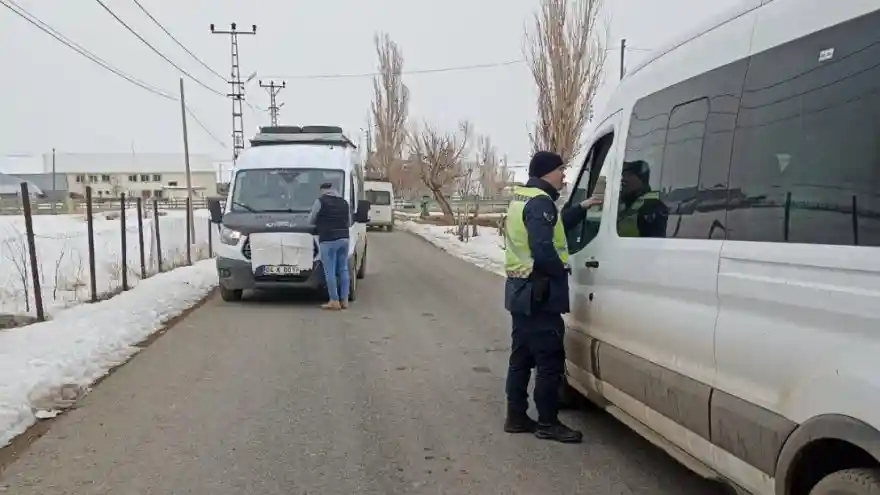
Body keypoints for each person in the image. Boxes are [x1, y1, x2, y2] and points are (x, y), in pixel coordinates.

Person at [503, 151, 601, 443]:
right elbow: (544, 248)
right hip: (540, 293)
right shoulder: (541, 202)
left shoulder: (523, 197)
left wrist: (582, 207)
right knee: (549, 361)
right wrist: (562, 270)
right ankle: (547, 422)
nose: (564, 175)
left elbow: (552, 225)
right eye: (560, 170)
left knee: (521, 358)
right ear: (548, 172)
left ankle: (516, 417)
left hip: (520, 291)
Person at [308, 181, 351, 310]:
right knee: (343, 269)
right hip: (344, 239)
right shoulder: (344, 202)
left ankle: (334, 300)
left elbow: (311, 220)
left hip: (328, 240)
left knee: (330, 271)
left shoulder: (320, 201)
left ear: (323, 190)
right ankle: (345, 300)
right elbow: (349, 221)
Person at [618, 160, 668, 238]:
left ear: (641, 179)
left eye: (629, 175)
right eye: (623, 175)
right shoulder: (626, 205)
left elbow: (654, 241)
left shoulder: (651, 206)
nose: (623, 179)